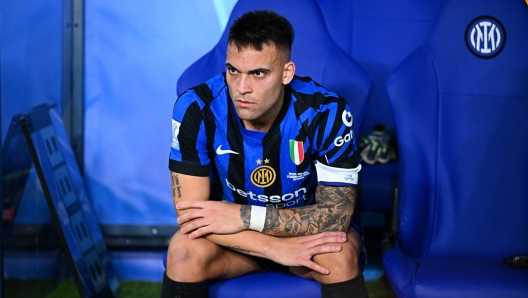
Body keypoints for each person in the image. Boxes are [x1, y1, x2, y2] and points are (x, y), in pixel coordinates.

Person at [162, 10, 368, 298]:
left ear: (287, 73)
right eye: (233, 70)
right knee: (183, 251)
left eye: (259, 73)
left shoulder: (326, 112)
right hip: (231, 239)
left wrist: (246, 216)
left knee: (339, 256)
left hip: (305, 235)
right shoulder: (196, 108)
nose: (242, 88)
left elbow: (336, 218)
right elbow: (192, 217)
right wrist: (274, 248)